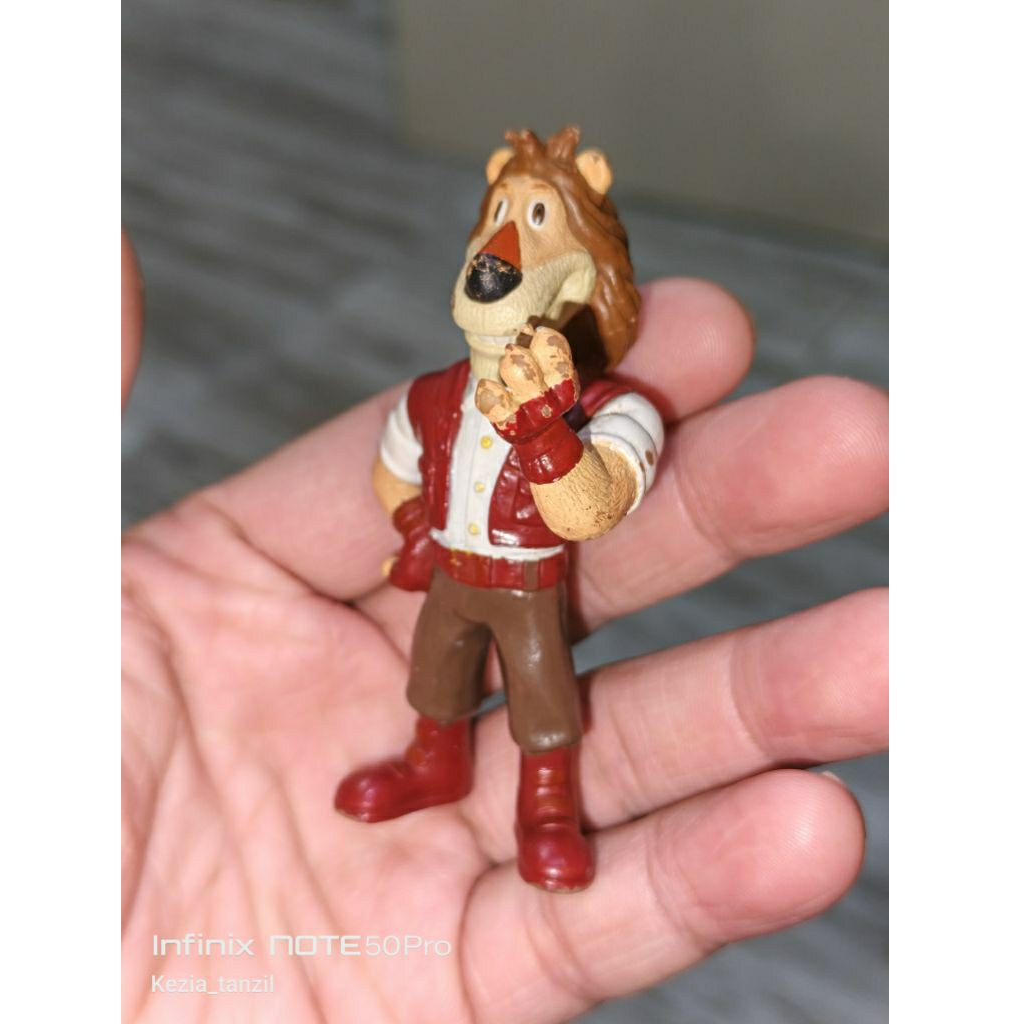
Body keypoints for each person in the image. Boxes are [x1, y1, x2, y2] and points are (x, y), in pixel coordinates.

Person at [121, 230, 888, 1022]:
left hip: (528, 580)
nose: (499, 260)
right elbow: (393, 467)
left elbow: (593, 508)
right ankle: (434, 762)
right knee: (435, 672)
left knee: (542, 692)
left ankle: (547, 810)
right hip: (453, 573)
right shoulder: (435, 394)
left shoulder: (609, 407)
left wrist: (546, 431)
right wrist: (413, 524)